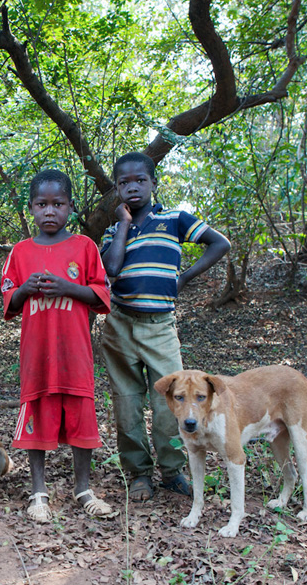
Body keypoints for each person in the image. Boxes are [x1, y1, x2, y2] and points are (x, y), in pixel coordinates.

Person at [99, 152, 231, 501]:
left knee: (170, 403)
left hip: (160, 326)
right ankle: (139, 473)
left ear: (153, 183)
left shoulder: (174, 219)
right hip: (119, 325)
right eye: (124, 183)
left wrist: (184, 277)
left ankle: (172, 471)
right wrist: (123, 225)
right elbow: (110, 269)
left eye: (140, 180)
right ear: (117, 189)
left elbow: (220, 243)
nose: (133, 187)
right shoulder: (113, 231)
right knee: (126, 403)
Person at [0, 169, 114, 523]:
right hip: (37, 355)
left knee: (81, 418)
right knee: (38, 413)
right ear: (31, 208)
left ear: (70, 206)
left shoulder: (85, 247)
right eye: (42, 204)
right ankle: (39, 492)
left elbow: (102, 294)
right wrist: (25, 289)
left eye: (58, 204)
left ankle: (84, 489)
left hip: (75, 353)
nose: (50, 211)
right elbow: (9, 299)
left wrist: (68, 287)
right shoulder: (20, 251)